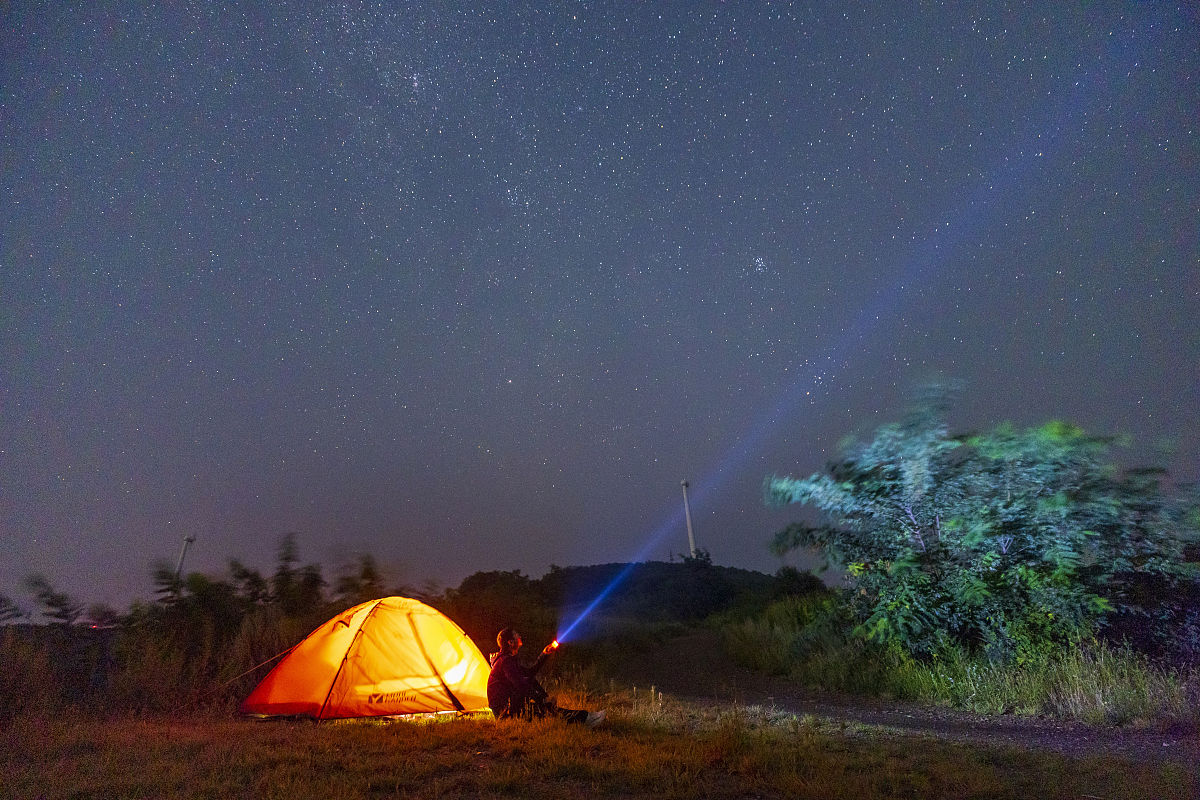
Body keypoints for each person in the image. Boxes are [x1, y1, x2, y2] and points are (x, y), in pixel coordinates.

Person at [487, 627, 605, 727]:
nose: (520, 636)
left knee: (545, 709)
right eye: (516, 635)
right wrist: (541, 699)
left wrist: (544, 654)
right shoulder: (506, 662)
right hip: (504, 713)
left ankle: (586, 717)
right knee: (545, 711)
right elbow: (521, 685)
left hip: (508, 706)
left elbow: (529, 673)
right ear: (510, 642)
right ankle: (586, 719)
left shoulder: (507, 660)